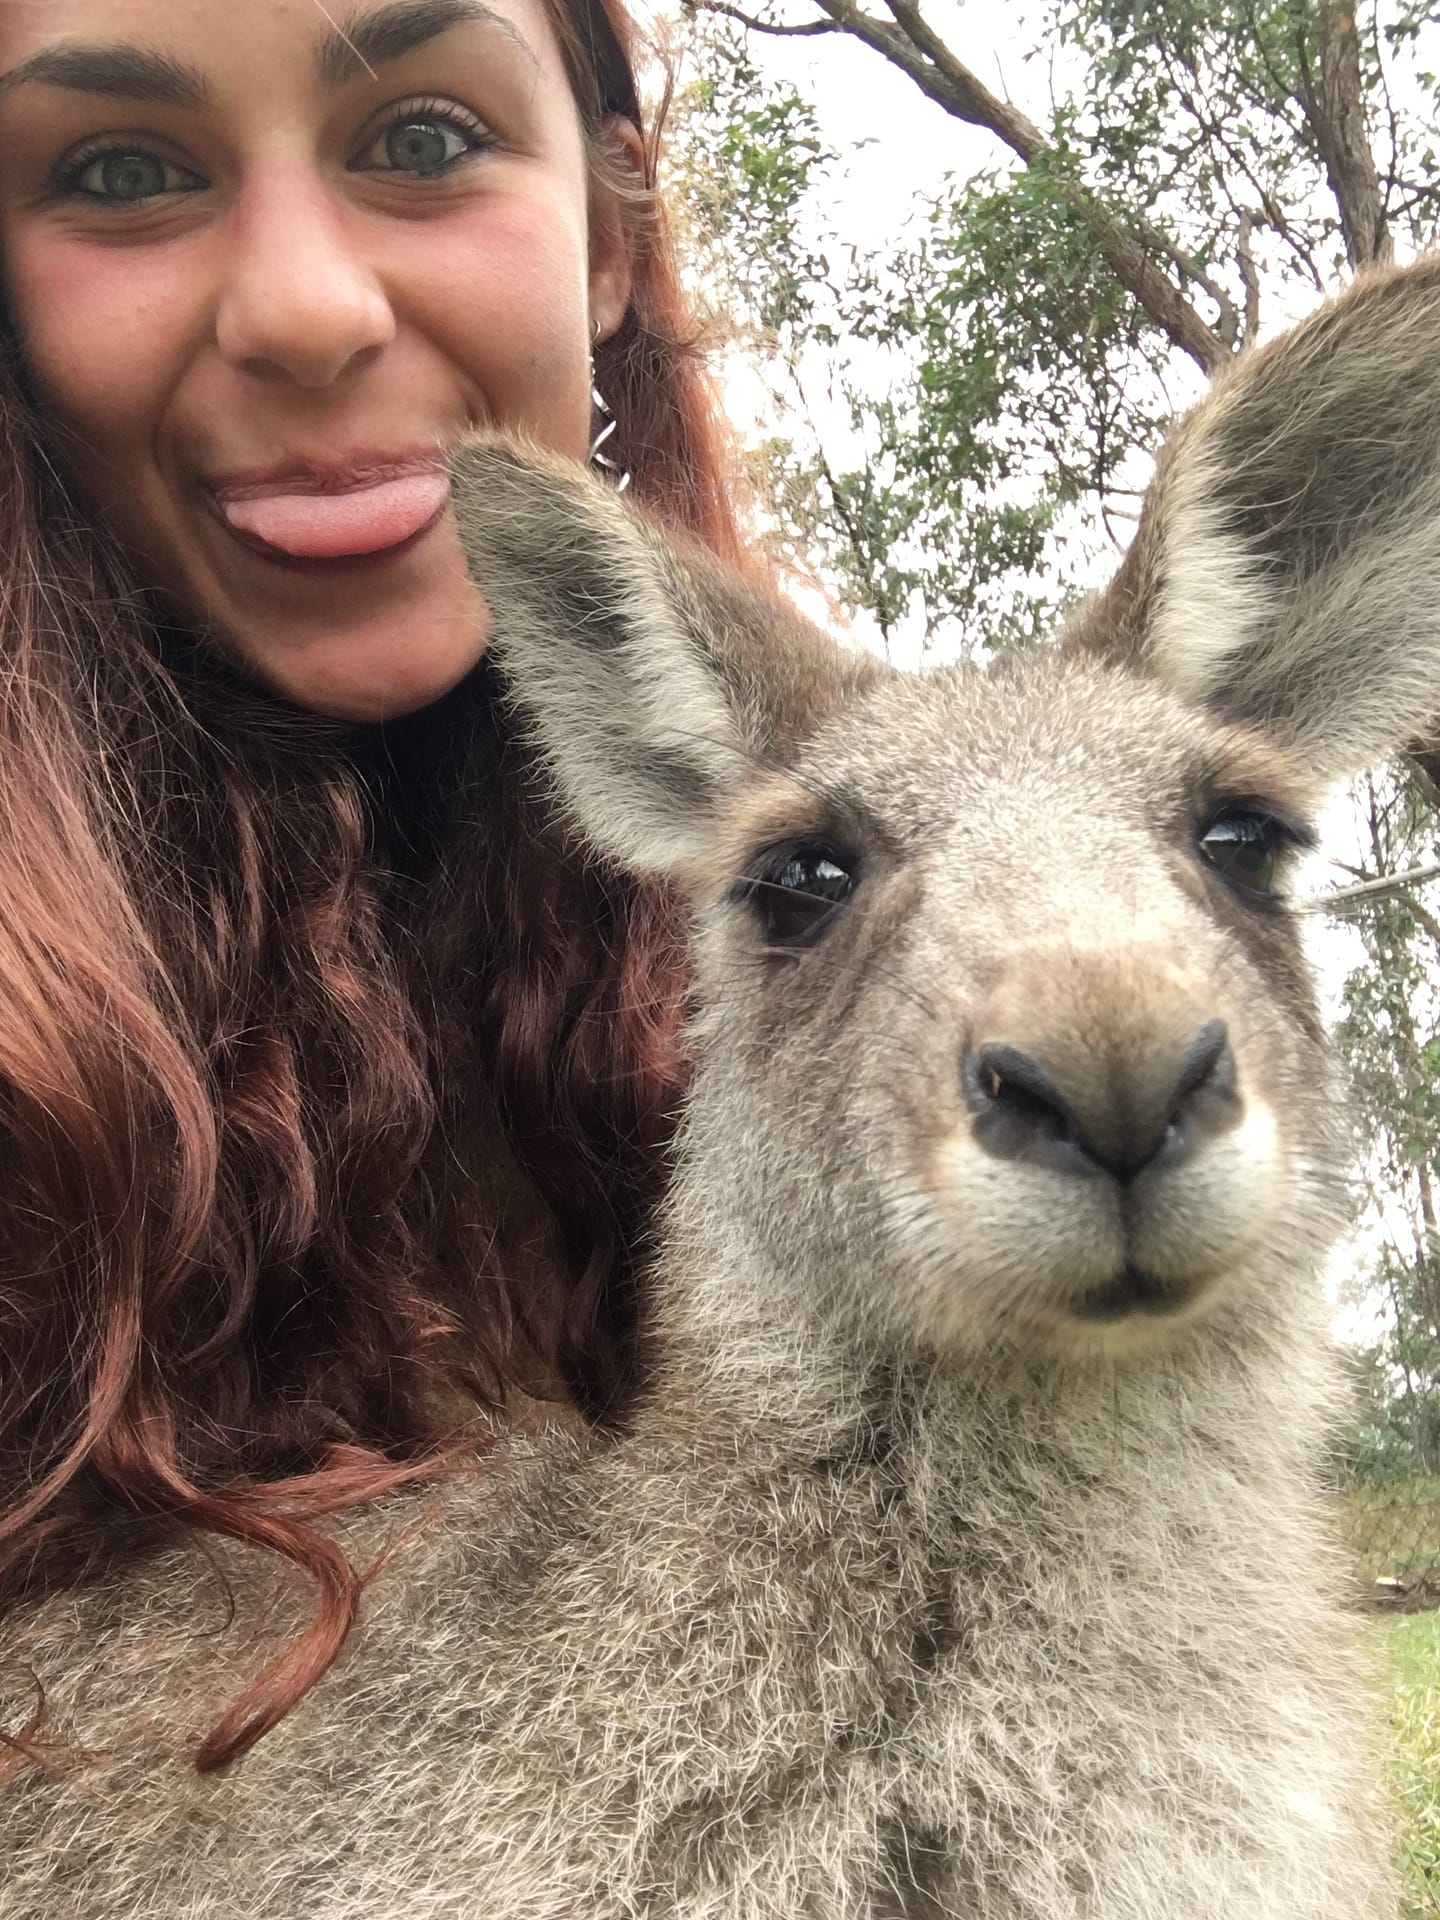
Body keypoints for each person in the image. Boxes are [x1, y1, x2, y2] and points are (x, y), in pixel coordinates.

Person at [0, 0, 746, 1774]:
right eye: (119, 170)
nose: (308, 312)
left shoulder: (814, 940)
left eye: (421, 139)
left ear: (613, 238)